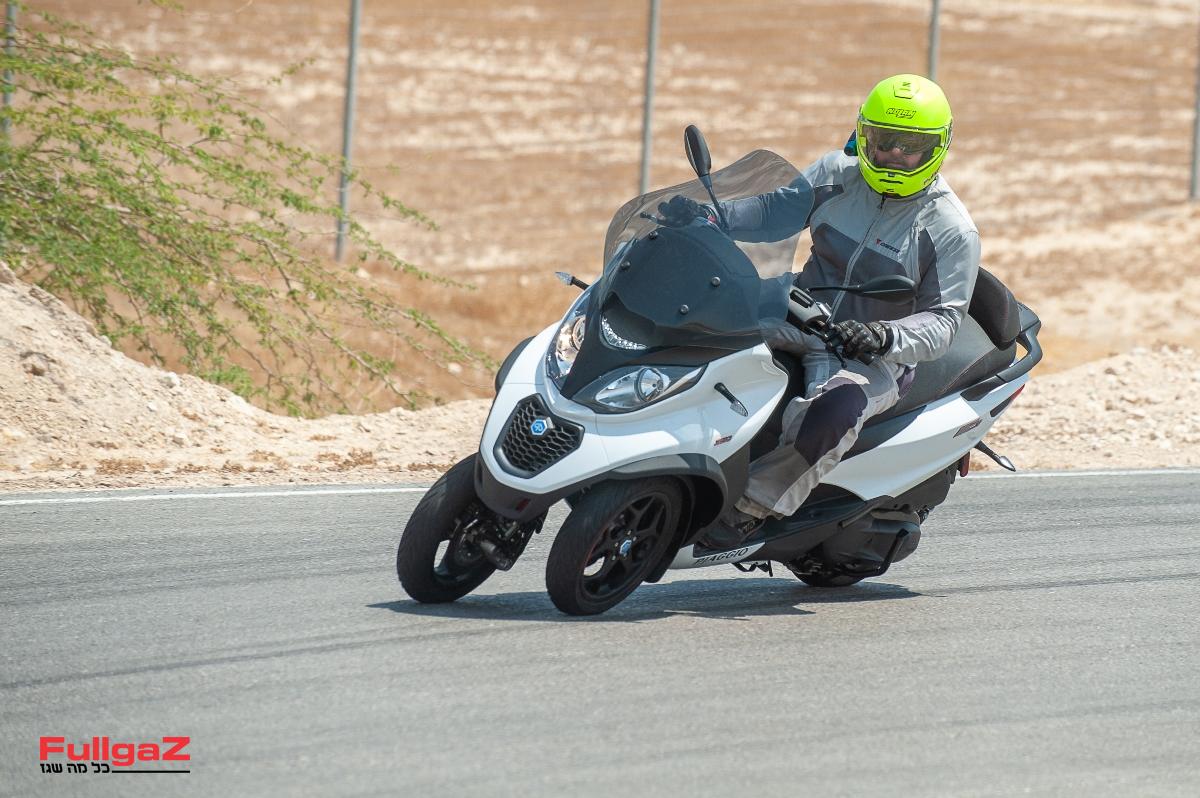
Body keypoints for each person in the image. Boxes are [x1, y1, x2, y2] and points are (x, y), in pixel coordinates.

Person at [659, 74, 980, 548]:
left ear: (938, 147)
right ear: (863, 134)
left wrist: (883, 336)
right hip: (796, 308)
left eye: (911, 146)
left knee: (835, 411)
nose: (894, 154)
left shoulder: (951, 228)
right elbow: (774, 211)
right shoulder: (836, 174)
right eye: (884, 140)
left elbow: (943, 322)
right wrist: (711, 216)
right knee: (697, 325)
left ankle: (752, 507)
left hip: (868, 355)